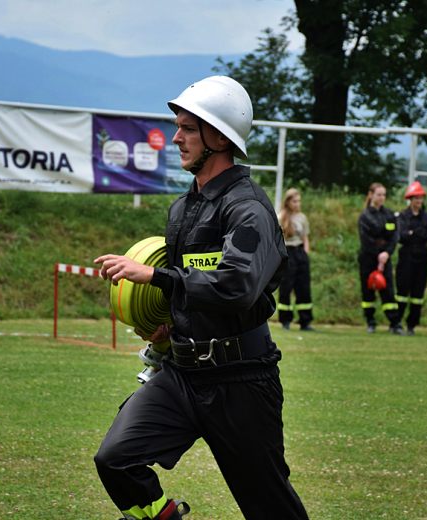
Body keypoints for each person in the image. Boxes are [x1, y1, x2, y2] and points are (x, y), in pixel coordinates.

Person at [93, 76, 310, 520]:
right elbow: (187, 293)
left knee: (271, 507)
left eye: (188, 128)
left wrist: (155, 276)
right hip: (182, 375)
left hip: (242, 381)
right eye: (178, 126)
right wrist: (162, 333)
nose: (176, 137)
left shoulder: (249, 208)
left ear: (219, 136)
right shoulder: (182, 208)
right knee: (115, 459)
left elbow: (237, 286)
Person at [358, 182, 403, 334]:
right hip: (369, 257)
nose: (382, 197)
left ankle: (395, 323)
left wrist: (387, 253)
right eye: (379, 194)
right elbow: (366, 239)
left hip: (385, 257)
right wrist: (378, 255)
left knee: (388, 289)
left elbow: (394, 237)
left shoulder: (390, 215)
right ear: (371, 195)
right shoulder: (365, 216)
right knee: (368, 289)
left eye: (384, 195)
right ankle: (371, 322)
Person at [395, 181, 427, 335]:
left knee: (418, 292)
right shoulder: (402, 216)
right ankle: (397, 321)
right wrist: (416, 234)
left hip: (422, 256)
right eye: (415, 198)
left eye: (420, 198)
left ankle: (412, 324)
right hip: (406, 255)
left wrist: (413, 233)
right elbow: (401, 235)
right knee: (402, 289)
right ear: (410, 199)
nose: (418, 201)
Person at [277, 188, 314, 331]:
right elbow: (277, 240)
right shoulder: (280, 217)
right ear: (288, 202)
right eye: (294, 201)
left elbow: (305, 238)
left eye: (299, 201)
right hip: (288, 252)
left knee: (303, 287)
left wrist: (305, 253)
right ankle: (285, 320)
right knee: (286, 286)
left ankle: (305, 321)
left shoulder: (302, 217)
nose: (297, 204)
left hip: (300, 252)